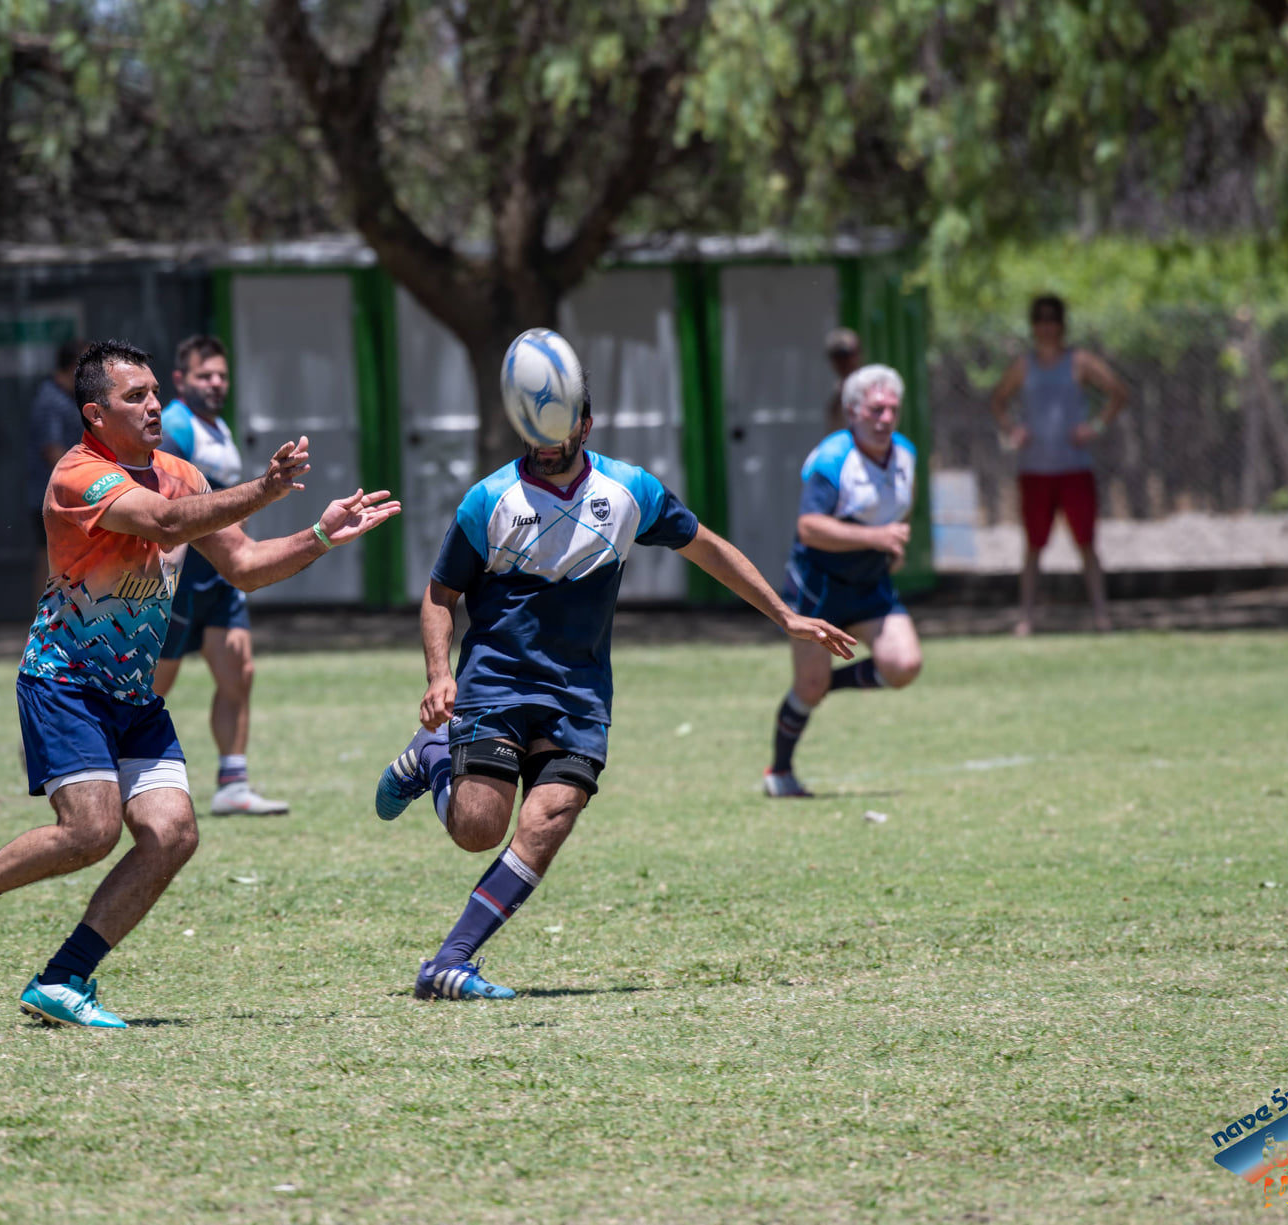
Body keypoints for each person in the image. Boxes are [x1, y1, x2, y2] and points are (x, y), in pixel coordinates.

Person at [0, 339, 399, 1028]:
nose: (154, 404)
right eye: (134, 396)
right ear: (94, 414)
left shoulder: (181, 474)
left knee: (172, 833)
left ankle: (63, 976)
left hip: (133, 694)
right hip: (64, 681)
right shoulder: (79, 477)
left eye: (155, 392)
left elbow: (247, 566)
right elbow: (163, 522)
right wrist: (266, 486)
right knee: (91, 830)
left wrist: (319, 533)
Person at [370, 374, 855, 1001]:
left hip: (580, 693)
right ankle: (433, 759)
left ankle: (449, 963)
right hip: (497, 682)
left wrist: (783, 615)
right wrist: (439, 675)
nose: (545, 444)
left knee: (552, 817)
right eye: (533, 431)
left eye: (558, 431)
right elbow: (440, 594)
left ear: (585, 426)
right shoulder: (488, 500)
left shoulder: (630, 491)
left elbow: (705, 547)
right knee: (478, 828)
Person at [764, 365, 925, 798]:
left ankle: (825, 685)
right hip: (819, 587)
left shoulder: (905, 454)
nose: (885, 418)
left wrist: (892, 546)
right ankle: (779, 772)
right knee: (807, 688)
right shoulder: (834, 459)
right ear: (852, 412)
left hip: (870, 585)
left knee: (904, 666)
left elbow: (896, 512)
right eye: (875, 409)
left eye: (892, 409)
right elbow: (810, 528)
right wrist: (877, 537)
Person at [152, 335, 285, 815]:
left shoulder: (217, 427)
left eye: (221, 375)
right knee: (151, 685)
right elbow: (166, 503)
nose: (215, 383)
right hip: (183, 577)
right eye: (204, 375)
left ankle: (233, 782)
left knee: (239, 672)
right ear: (180, 379)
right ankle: (77, 743)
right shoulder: (175, 427)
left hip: (221, 577)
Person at [987, 295, 1129, 636]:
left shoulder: (1080, 362)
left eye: (1052, 319)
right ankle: (1026, 618)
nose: (1046, 326)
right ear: (1033, 326)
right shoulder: (1024, 366)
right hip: (1035, 469)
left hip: (1074, 466)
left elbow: (1118, 392)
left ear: (1062, 325)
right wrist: (1012, 429)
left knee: (1086, 543)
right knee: (1034, 546)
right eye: (1040, 320)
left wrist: (1094, 427)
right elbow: (998, 401)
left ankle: (1101, 615)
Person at [28, 338, 91, 596]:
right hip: (51, 498)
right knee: (49, 558)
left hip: (70, 496)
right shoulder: (50, 400)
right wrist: (89, 481)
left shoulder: (71, 398)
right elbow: (52, 451)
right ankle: (41, 620)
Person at [824, 327, 864, 434]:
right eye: (837, 356)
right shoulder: (837, 386)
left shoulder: (868, 386)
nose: (842, 362)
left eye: (846, 356)